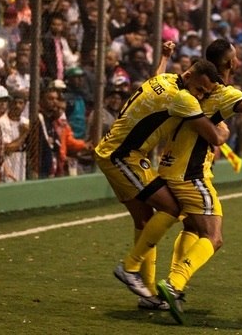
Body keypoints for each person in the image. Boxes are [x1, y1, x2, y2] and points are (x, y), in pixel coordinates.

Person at [115, 39, 242, 324]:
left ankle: (162, 287)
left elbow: (157, 83)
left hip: (166, 170)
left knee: (189, 226)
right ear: (230, 63)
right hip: (192, 176)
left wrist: (164, 58)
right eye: (234, 58)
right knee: (214, 237)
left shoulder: (187, 88)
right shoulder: (223, 94)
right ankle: (173, 283)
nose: (237, 62)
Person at [95, 59, 229, 310]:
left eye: (204, 93)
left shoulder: (163, 79)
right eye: (199, 89)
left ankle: (148, 295)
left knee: (145, 220)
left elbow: (156, 73)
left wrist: (164, 58)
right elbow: (214, 136)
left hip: (115, 151)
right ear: (188, 76)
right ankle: (129, 266)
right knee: (172, 207)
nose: (199, 95)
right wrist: (224, 129)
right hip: (123, 156)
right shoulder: (183, 99)